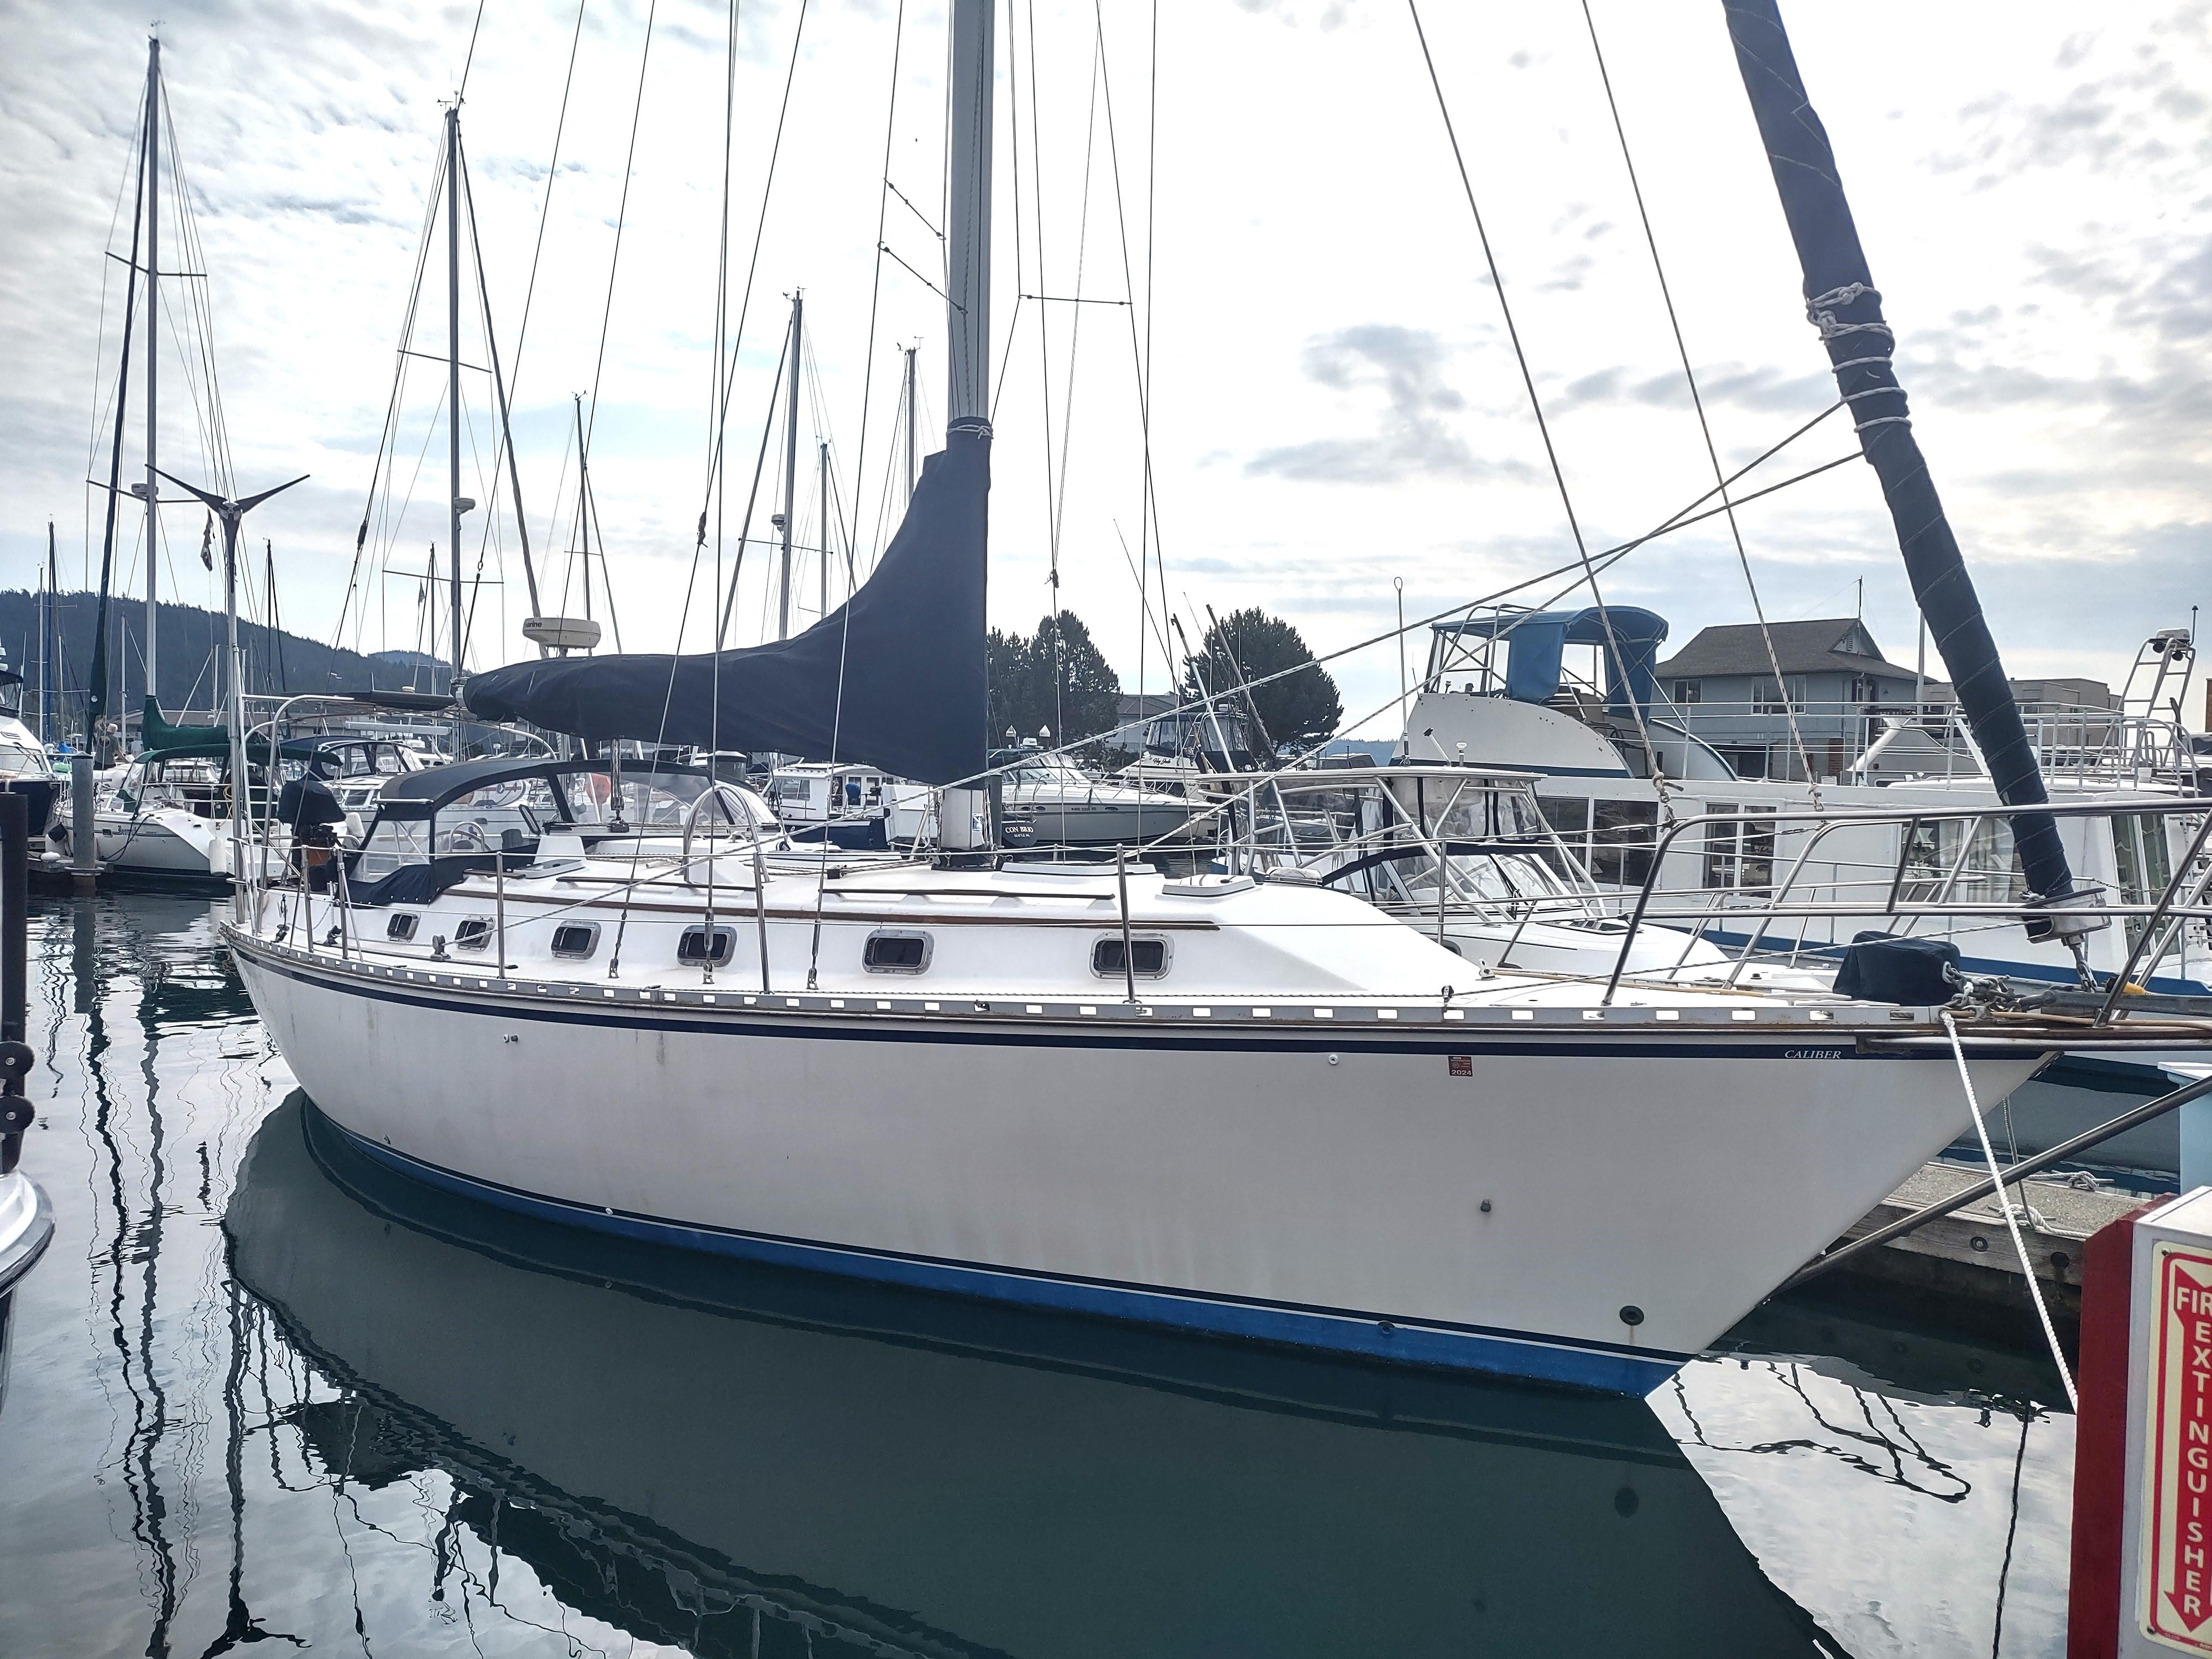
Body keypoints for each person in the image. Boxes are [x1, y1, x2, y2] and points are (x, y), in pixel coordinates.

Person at [278, 754, 347, 893]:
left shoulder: (296, 789)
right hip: (313, 832)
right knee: (310, 849)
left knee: (301, 845)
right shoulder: (315, 790)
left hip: (302, 831)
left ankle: (299, 874)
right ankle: (309, 874)